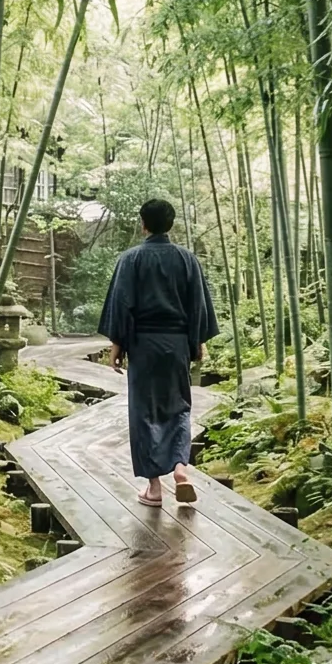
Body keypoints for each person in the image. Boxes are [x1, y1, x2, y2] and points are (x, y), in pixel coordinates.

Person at [97, 197, 220, 507]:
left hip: (143, 344)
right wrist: (198, 342)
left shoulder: (131, 259)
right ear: (171, 224)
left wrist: (116, 348)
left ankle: (154, 488)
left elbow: (122, 306)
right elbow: (197, 306)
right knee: (178, 407)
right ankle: (180, 470)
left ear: (143, 224)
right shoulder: (186, 259)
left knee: (144, 412)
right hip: (177, 344)